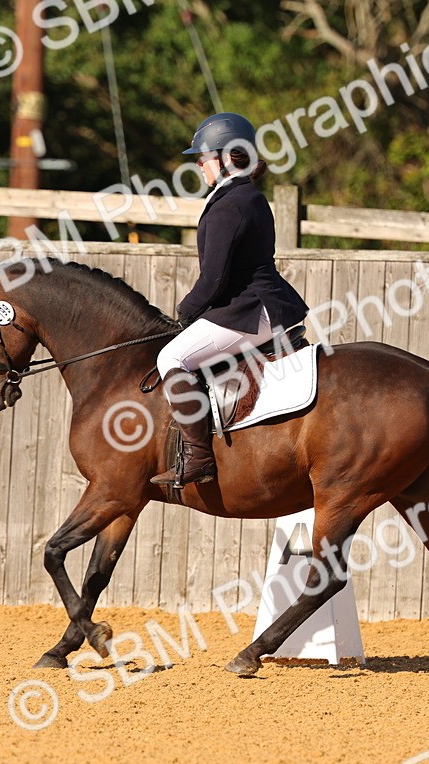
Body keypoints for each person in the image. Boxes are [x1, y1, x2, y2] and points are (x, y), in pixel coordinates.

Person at [150, 112, 310, 487]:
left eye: (202, 158)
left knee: (170, 356)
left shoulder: (232, 203)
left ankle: (199, 458)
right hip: (258, 305)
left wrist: (184, 314)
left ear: (225, 157)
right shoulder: (241, 196)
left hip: (251, 310)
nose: (198, 166)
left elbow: (214, 279)